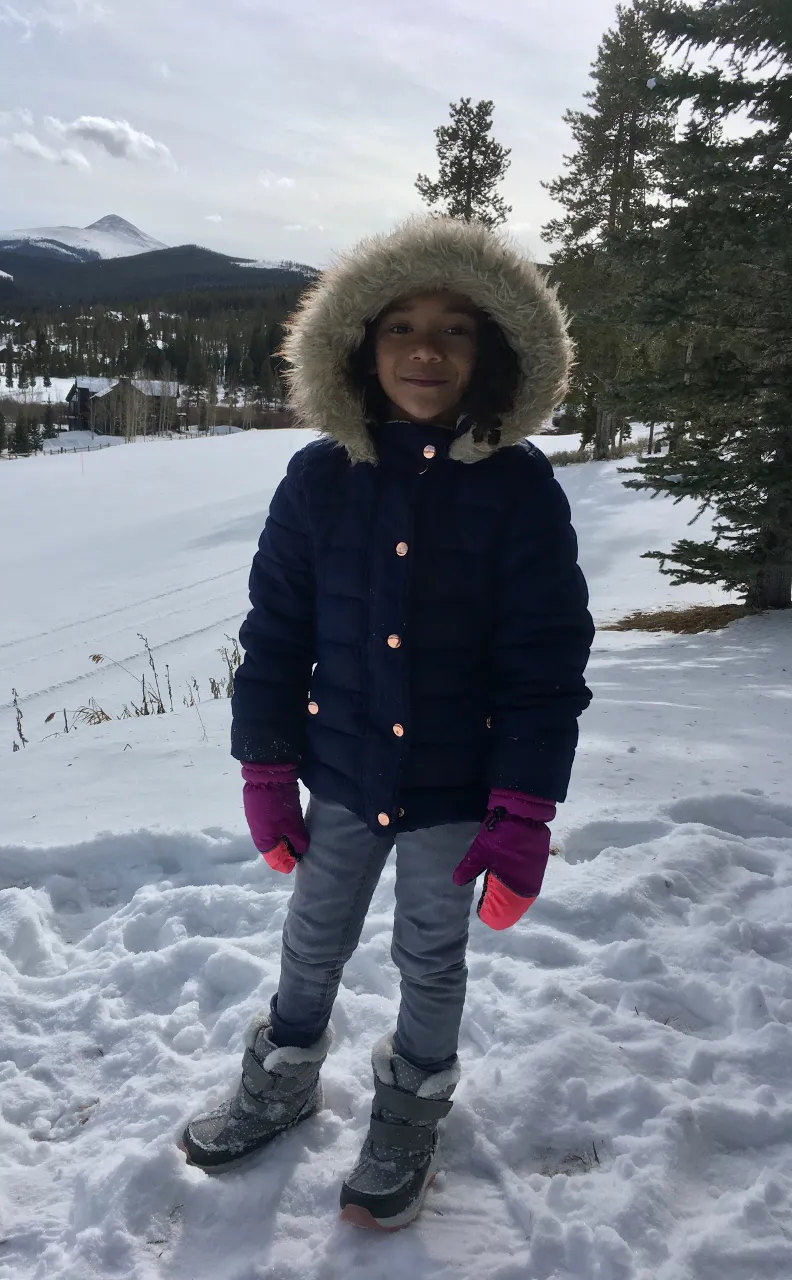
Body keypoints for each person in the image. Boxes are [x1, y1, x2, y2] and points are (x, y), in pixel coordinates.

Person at [180, 216, 594, 1230]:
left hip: (460, 790)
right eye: (400, 324)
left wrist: (525, 805)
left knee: (430, 954)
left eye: (454, 328)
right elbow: (275, 633)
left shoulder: (517, 489)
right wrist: (267, 766)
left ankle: (412, 1105)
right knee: (311, 940)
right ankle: (281, 1080)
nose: (424, 349)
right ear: (359, 346)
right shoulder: (321, 481)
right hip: (345, 775)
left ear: (491, 349)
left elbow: (547, 659)